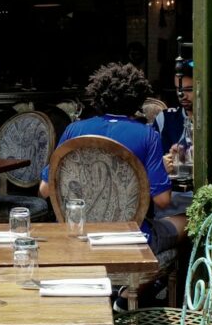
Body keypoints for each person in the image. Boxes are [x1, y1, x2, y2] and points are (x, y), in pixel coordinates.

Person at [38, 63, 179, 304]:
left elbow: (44, 190)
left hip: (79, 236)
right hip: (131, 239)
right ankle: (132, 294)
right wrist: (152, 173)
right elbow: (163, 201)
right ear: (138, 99)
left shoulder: (74, 130)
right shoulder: (147, 135)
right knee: (188, 223)